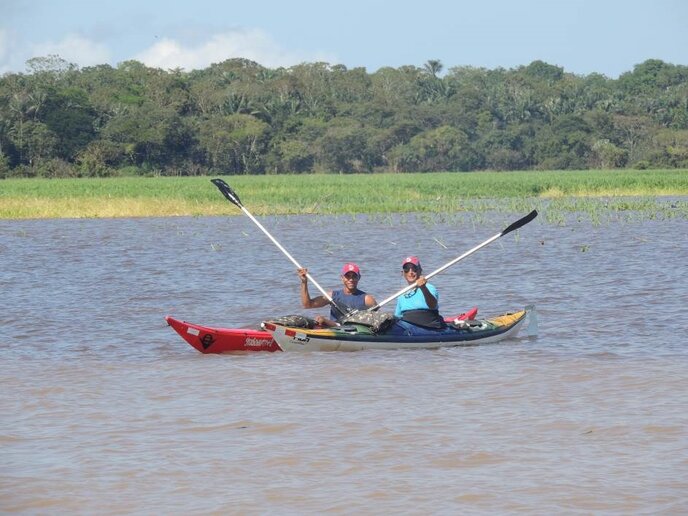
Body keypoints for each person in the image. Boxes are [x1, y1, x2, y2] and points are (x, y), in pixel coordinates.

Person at [297, 262, 377, 327]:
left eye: (354, 276)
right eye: (347, 276)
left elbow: (379, 321)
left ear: (359, 277)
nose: (351, 279)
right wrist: (304, 282)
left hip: (356, 332)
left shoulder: (367, 299)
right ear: (342, 278)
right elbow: (307, 305)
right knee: (319, 319)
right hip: (335, 328)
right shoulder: (332, 296)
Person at [390, 256, 447, 333]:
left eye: (414, 268)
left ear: (420, 271)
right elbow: (398, 317)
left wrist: (423, 288)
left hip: (429, 328)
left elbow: (432, 305)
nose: (411, 272)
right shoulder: (401, 294)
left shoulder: (430, 288)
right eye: (407, 269)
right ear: (403, 273)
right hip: (409, 328)